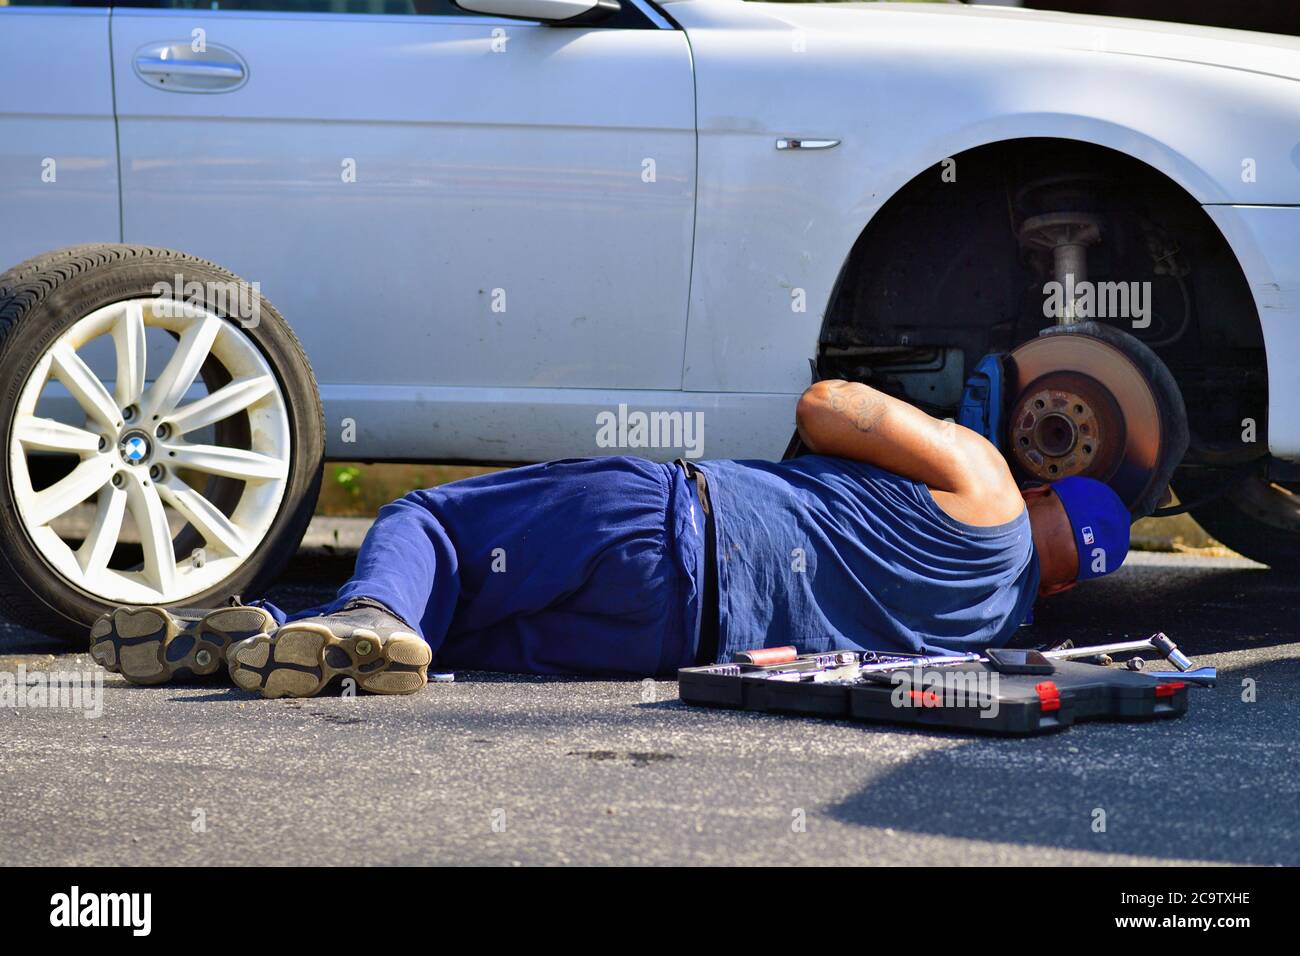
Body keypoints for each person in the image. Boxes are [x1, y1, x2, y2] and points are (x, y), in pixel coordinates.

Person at [89, 379, 1130, 698]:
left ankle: (343, 614)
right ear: (1069, 579)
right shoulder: (998, 618)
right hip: (672, 637)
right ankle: (268, 635)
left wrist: (924, 418)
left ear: (1049, 486)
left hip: (672, 522)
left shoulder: (990, 476)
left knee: (428, 523)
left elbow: (826, 404)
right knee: (430, 633)